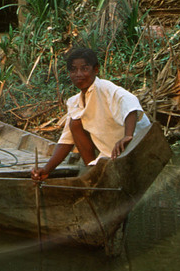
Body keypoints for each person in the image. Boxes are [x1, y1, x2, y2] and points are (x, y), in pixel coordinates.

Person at [31, 46, 150, 181]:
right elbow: (66, 141)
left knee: (76, 122)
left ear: (96, 69)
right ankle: (92, 171)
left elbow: (130, 103)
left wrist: (128, 136)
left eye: (85, 69)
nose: (79, 74)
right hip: (110, 154)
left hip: (134, 147)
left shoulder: (105, 88)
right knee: (74, 123)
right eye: (73, 70)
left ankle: (96, 174)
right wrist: (47, 170)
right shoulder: (74, 102)